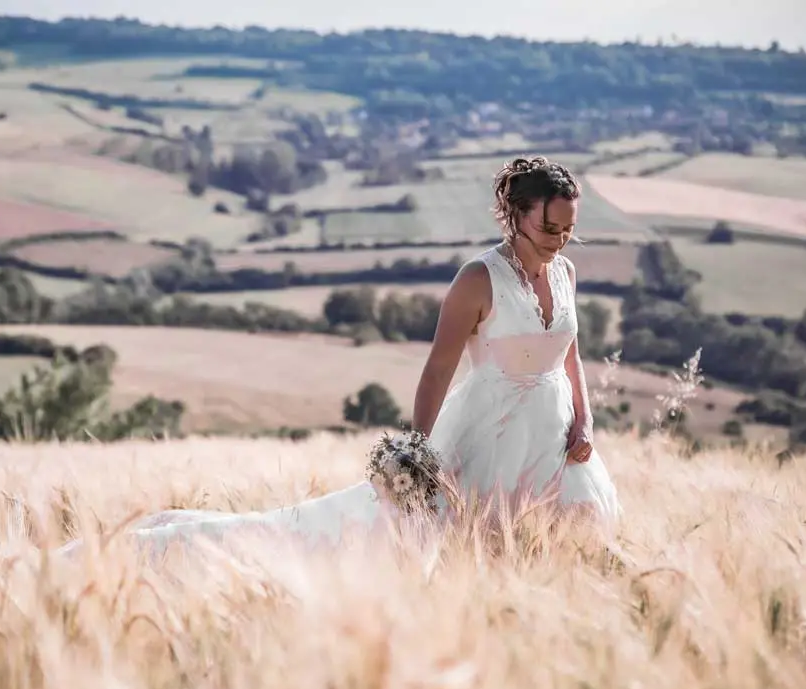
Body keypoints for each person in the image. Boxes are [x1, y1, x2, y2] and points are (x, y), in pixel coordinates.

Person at [56, 156, 620, 561]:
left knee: (566, 538)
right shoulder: (477, 279)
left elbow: (569, 358)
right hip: (488, 430)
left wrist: (585, 421)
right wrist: (416, 454)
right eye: (549, 227)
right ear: (516, 214)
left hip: (554, 434)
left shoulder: (565, 273)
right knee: (454, 539)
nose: (559, 241)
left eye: (569, 230)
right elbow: (437, 370)